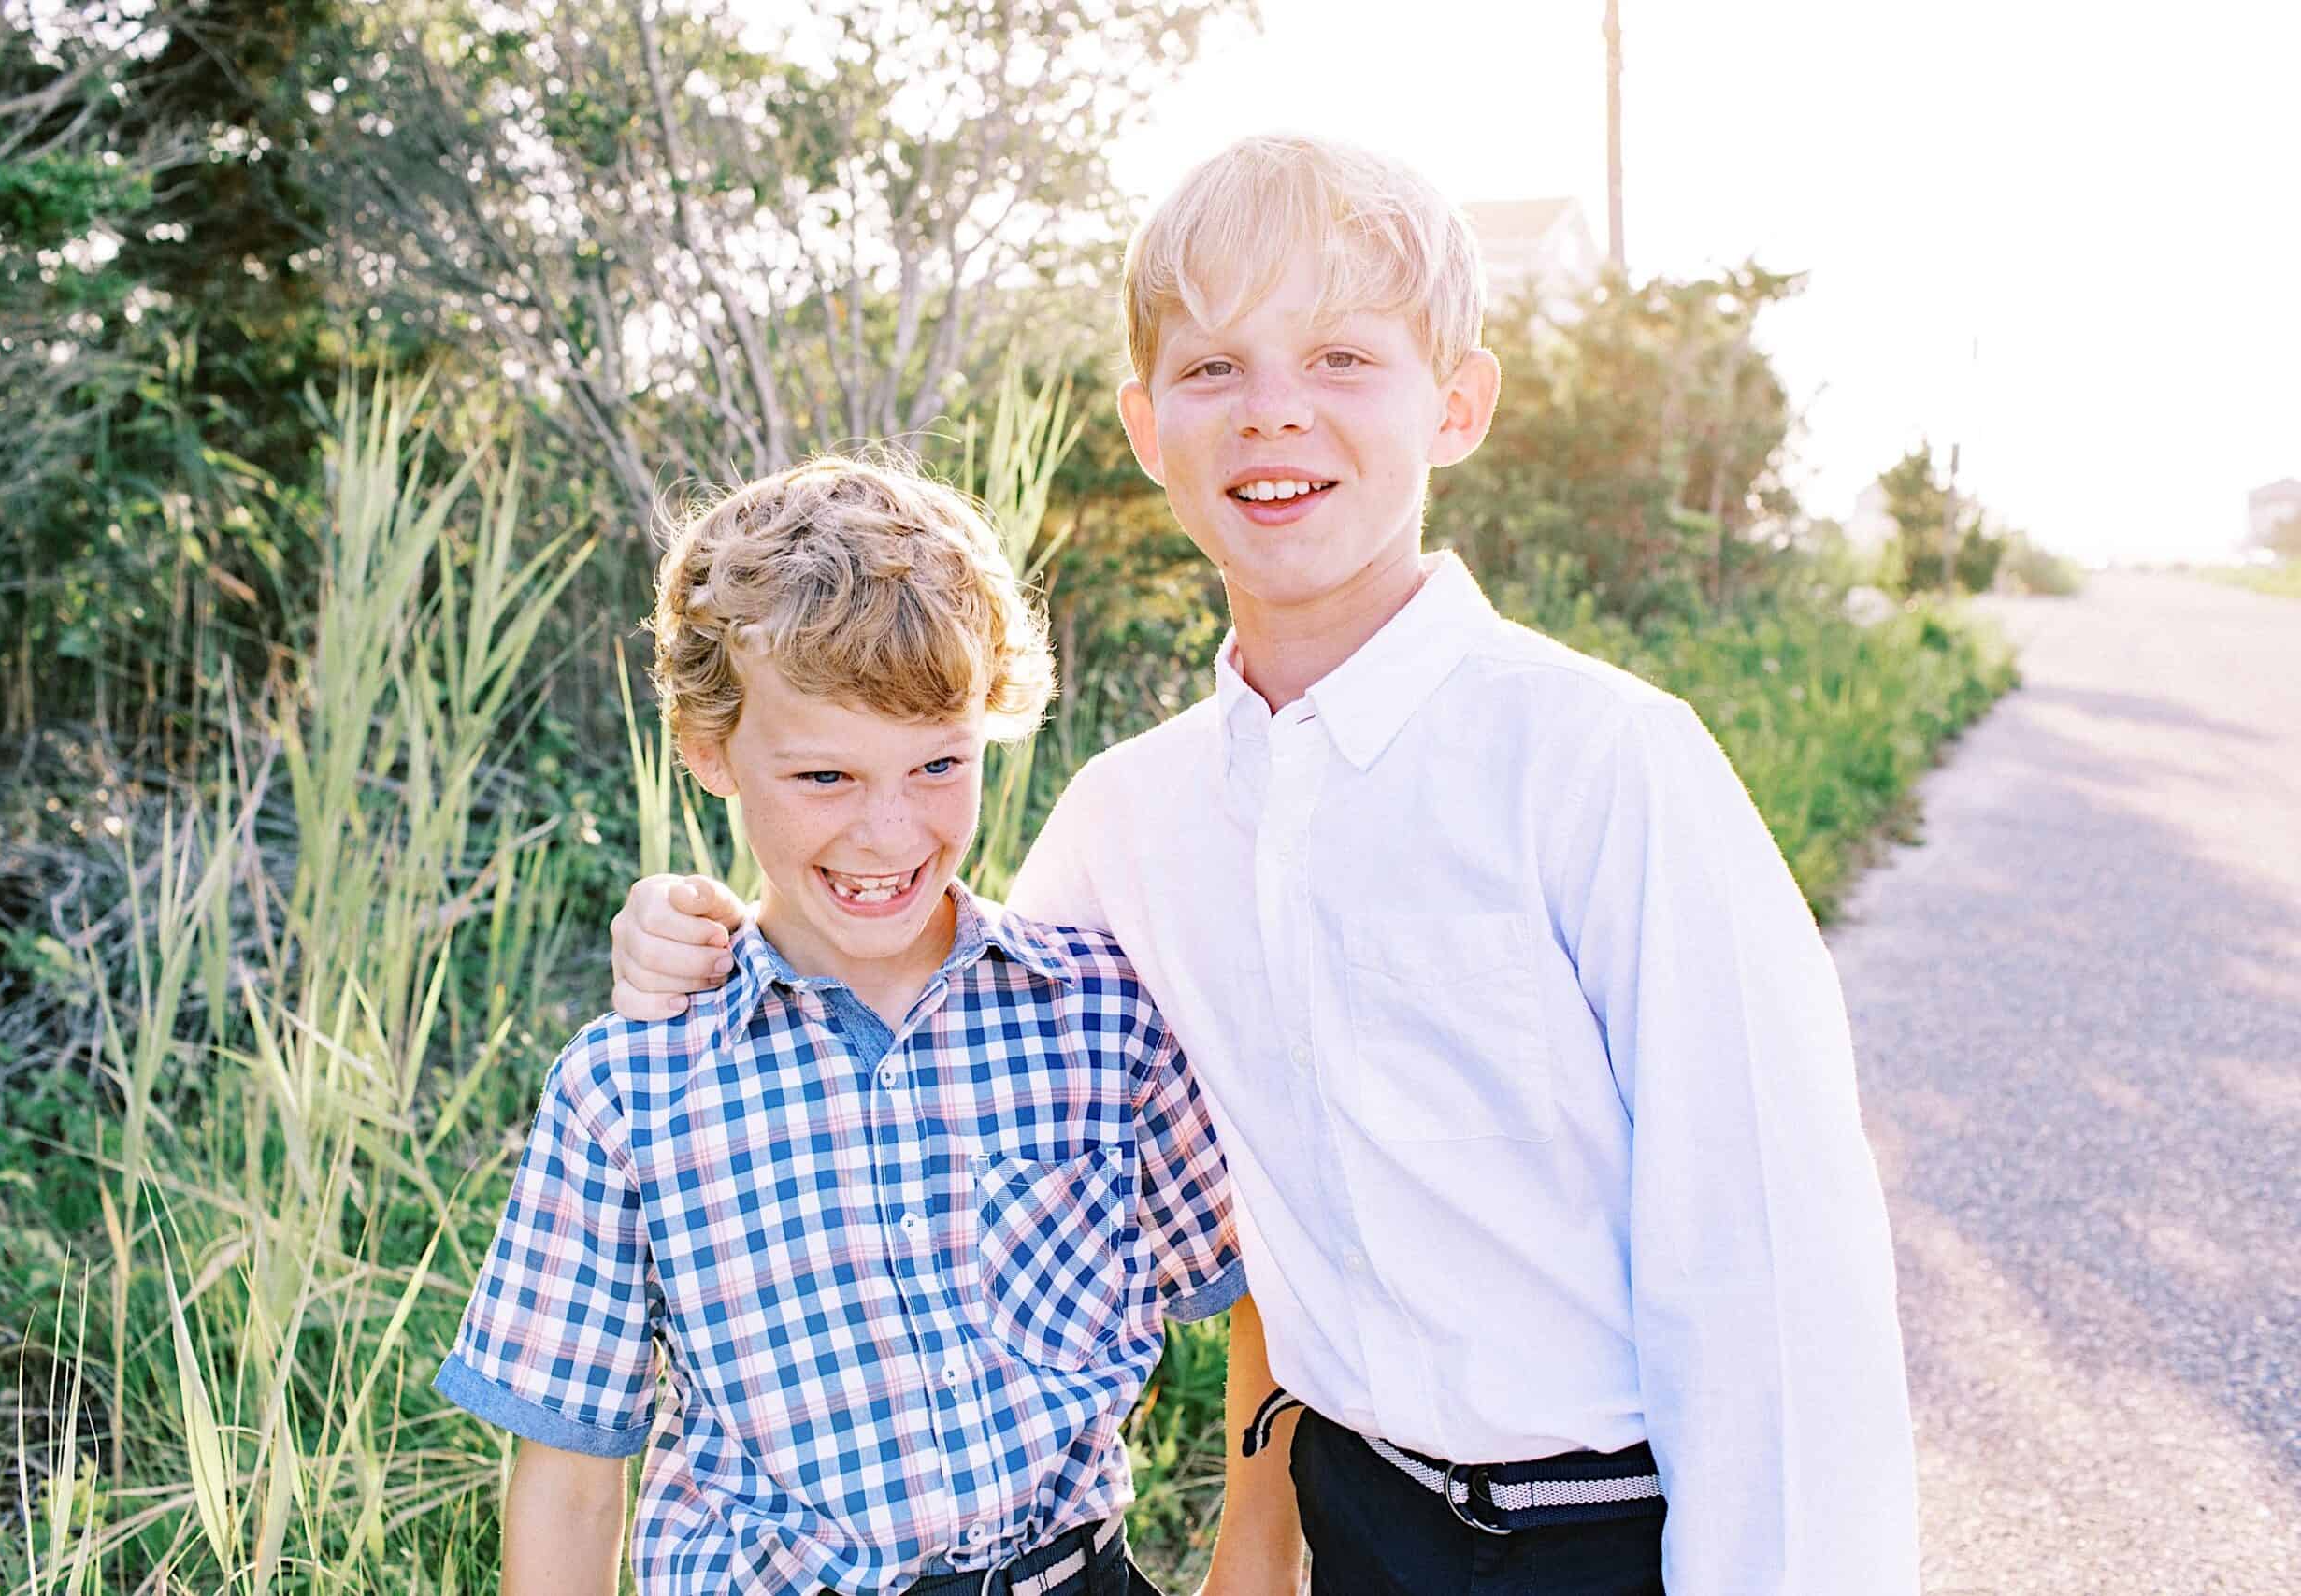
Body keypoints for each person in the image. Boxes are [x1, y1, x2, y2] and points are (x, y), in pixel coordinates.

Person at [606, 135, 1919, 1595]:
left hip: (1610, 1530)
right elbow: (935, 1003)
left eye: (1344, 357)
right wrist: (695, 926)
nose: (1274, 412)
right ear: (1146, 424)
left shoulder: (1604, 762)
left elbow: (1779, 1282)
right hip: (1352, 1513)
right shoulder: (1134, 812)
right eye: (1214, 368)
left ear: (1459, 403)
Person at [436, 455, 1244, 1595]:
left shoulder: (1099, 1017)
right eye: (823, 775)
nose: (886, 831)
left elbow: (1264, 1307)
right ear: (710, 753)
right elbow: (570, 1476)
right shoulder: (631, 1090)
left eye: (937, 765)